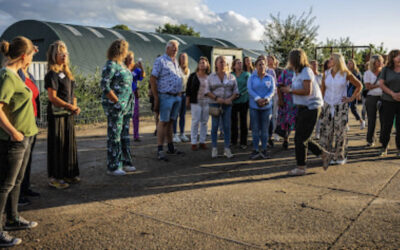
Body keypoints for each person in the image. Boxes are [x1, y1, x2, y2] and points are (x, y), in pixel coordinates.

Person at [0, 36, 39, 247]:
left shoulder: (16, 74)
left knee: (16, 181)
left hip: (26, 136)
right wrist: (13, 132)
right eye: (32, 55)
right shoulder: (7, 76)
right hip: (14, 139)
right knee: (5, 185)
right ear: (24, 56)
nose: (33, 58)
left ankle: (13, 218)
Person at [280, 49, 331, 175]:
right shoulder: (297, 72)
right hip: (303, 107)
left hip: (311, 108)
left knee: (300, 139)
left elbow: (307, 91)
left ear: (295, 60)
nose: (289, 61)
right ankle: (324, 154)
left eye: (290, 59)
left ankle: (301, 167)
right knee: (303, 137)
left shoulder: (306, 71)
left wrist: (290, 90)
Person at [45, 40, 81, 186]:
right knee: (57, 146)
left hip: (68, 114)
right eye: (60, 52)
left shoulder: (68, 74)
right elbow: (52, 97)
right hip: (57, 115)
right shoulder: (51, 75)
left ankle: (68, 174)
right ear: (54, 55)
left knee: (68, 144)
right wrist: (69, 106)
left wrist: (75, 106)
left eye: (65, 52)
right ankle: (55, 178)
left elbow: (73, 94)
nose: (64, 55)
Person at [319, 53, 362, 165]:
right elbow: (322, 90)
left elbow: (359, 85)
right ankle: (327, 156)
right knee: (326, 132)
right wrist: (321, 105)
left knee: (340, 133)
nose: (329, 60)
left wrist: (351, 98)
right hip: (327, 105)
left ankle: (340, 157)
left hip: (340, 106)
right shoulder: (326, 73)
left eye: (331, 59)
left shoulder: (345, 74)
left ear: (337, 61)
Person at [100, 39, 135, 175]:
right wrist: (116, 102)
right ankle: (113, 166)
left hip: (126, 107)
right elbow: (104, 85)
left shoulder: (121, 65)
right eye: (125, 49)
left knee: (124, 135)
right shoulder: (110, 65)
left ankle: (125, 161)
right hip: (116, 107)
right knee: (114, 135)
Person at [150, 40, 184, 161]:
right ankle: (160, 149)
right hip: (166, 96)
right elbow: (153, 79)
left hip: (176, 96)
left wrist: (179, 93)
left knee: (170, 122)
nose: (175, 49)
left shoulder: (176, 62)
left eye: (177, 48)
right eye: (173, 47)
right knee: (163, 122)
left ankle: (170, 147)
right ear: (167, 48)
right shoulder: (161, 61)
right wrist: (156, 97)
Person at [17, 60, 41, 206]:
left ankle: (25, 188)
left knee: (28, 158)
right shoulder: (17, 75)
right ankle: (16, 195)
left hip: (32, 119)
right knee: (19, 160)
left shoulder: (29, 75)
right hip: (23, 121)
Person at [206, 55, 239, 159]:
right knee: (215, 126)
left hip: (227, 104)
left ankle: (227, 149)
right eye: (220, 62)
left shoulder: (231, 77)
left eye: (224, 62)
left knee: (227, 127)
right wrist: (216, 98)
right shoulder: (211, 76)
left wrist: (230, 99)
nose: (223, 63)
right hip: (215, 104)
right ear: (216, 64)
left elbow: (236, 91)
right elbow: (207, 91)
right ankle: (214, 148)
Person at [247, 58, 275, 159]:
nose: (262, 66)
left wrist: (266, 99)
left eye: (263, 64)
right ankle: (255, 150)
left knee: (264, 129)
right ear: (255, 66)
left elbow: (272, 90)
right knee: (255, 129)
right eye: (259, 64)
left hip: (266, 107)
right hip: (254, 106)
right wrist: (258, 99)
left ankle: (264, 149)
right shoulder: (251, 77)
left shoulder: (270, 77)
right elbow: (250, 89)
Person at [378, 49, 400, 157]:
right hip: (388, 101)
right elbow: (381, 84)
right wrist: (392, 94)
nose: (399, 57)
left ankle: (399, 149)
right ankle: (384, 146)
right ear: (392, 58)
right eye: (396, 56)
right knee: (386, 125)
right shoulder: (386, 69)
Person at [186, 57, 210, 150]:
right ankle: (193, 142)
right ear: (198, 65)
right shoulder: (193, 76)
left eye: (204, 63)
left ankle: (202, 141)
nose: (202, 64)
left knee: (204, 122)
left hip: (206, 101)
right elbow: (188, 89)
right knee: (195, 121)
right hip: (196, 101)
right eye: (200, 63)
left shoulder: (210, 76)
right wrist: (187, 100)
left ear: (207, 65)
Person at [124, 51, 145, 142]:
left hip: (134, 93)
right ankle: (125, 135)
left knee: (135, 115)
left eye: (132, 58)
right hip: (124, 94)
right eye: (129, 58)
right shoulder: (123, 68)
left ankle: (136, 135)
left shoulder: (136, 68)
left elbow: (142, 76)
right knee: (125, 115)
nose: (131, 59)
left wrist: (141, 68)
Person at [364, 55, 384, 147]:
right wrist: (380, 85)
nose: (380, 63)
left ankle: (384, 140)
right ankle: (370, 140)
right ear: (373, 63)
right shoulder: (367, 73)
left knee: (384, 120)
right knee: (371, 119)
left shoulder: (385, 72)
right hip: (371, 97)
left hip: (384, 97)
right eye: (378, 61)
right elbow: (368, 87)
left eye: (381, 61)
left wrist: (377, 86)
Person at [231, 58, 250, 149]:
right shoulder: (231, 75)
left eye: (241, 63)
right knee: (233, 122)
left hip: (243, 100)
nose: (240, 64)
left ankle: (243, 142)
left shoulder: (246, 75)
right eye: (238, 63)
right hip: (233, 101)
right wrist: (233, 95)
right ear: (234, 66)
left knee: (243, 122)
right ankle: (233, 141)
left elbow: (248, 87)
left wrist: (240, 93)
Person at [276, 66, 297, 149]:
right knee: (286, 121)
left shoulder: (302, 72)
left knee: (297, 121)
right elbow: (279, 85)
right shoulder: (286, 72)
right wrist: (280, 99)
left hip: (298, 101)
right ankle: (286, 139)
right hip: (287, 101)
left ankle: (297, 140)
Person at [173, 53, 190, 143]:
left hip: (184, 94)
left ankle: (182, 133)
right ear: (179, 58)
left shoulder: (188, 70)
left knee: (183, 115)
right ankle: (175, 134)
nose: (183, 58)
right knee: (175, 115)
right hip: (177, 94)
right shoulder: (176, 69)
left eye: (185, 57)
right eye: (182, 57)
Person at [347, 59, 366, 130]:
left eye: (350, 63)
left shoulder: (357, 73)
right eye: (348, 63)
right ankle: (346, 125)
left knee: (353, 109)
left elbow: (360, 84)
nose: (349, 65)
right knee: (345, 109)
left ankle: (361, 121)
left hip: (354, 92)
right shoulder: (346, 72)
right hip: (346, 92)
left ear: (353, 64)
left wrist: (358, 94)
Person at [310, 60, 323, 139]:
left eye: (316, 65)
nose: (315, 66)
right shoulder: (308, 75)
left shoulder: (321, 75)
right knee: (310, 118)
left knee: (319, 117)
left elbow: (323, 87)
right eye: (313, 65)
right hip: (310, 99)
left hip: (319, 98)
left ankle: (317, 133)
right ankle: (310, 133)